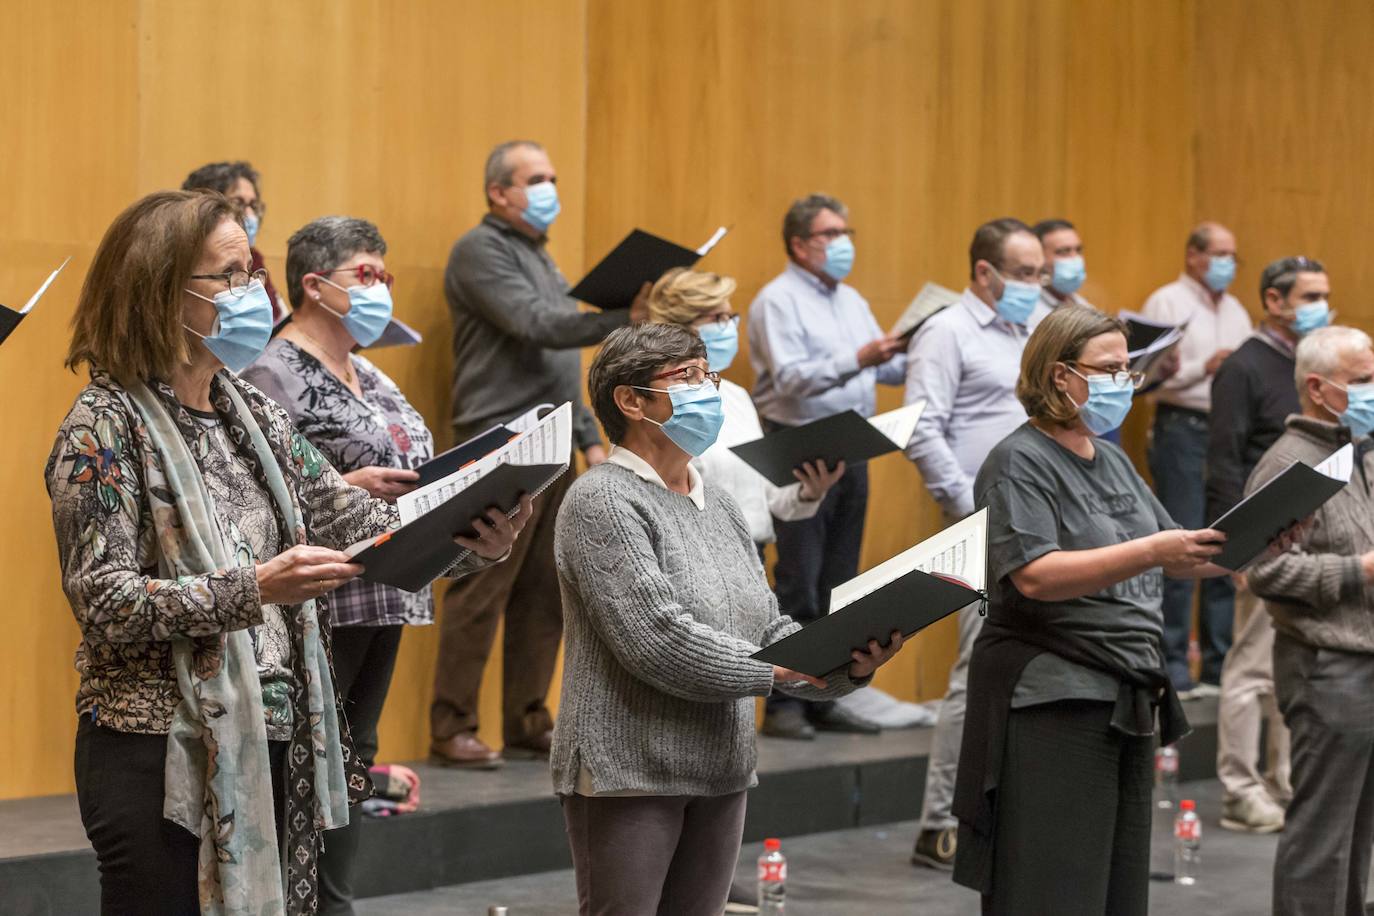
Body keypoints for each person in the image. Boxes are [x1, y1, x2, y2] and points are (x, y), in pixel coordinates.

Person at [45, 191, 526, 916]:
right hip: (157, 749)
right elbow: (104, 600)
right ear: (158, 290)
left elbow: (351, 518)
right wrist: (256, 589)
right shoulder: (101, 426)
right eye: (231, 277)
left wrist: (470, 538)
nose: (256, 295)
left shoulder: (250, 409)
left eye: (254, 273)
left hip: (271, 736)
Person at [553, 322, 905, 915]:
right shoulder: (601, 499)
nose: (708, 390)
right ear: (631, 400)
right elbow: (655, 640)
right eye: (687, 377)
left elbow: (767, 626)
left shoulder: (714, 500)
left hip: (722, 765)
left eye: (707, 374)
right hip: (630, 768)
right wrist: (783, 672)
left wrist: (846, 660)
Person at [951, 304, 1234, 916]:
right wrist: (1153, 550)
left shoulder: (1111, 458)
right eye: (1108, 370)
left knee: (1115, 887)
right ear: (1060, 375)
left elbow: (1177, 555)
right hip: (1054, 692)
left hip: (1125, 689)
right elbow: (1034, 575)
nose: (1122, 384)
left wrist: (1257, 546)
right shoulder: (1018, 460)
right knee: (1053, 887)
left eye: (1127, 371)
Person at [240, 215, 451, 914]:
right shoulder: (272, 369)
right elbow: (250, 488)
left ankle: (336, 900)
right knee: (307, 752)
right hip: (316, 594)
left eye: (385, 276)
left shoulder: (368, 369)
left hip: (387, 585)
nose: (381, 287)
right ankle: (303, 901)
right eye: (367, 274)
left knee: (354, 752)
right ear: (313, 284)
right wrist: (341, 490)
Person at [431, 139, 647, 768]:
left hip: (552, 439)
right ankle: (451, 726)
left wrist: (588, 439)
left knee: (545, 588)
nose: (551, 187)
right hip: (496, 441)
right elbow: (536, 326)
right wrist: (618, 317)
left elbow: (559, 361)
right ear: (499, 192)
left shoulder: (542, 258)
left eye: (553, 176)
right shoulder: (480, 251)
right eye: (537, 178)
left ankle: (528, 718)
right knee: (480, 584)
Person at [904, 217, 1050, 869]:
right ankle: (940, 823)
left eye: (1041, 273)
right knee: (976, 671)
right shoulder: (947, 332)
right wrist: (974, 508)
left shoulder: (1037, 329)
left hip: (1040, 524)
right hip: (980, 526)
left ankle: (1010, 810)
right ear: (984, 272)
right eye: (1025, 274)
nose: (1037, 285)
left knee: (1032, 664)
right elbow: (921, 429)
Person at [747, 193, 906, 740]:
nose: (842, 245)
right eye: (829, 235)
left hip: (852, 444)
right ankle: (787, 704)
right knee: (799, 578)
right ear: (798, 243)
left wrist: (909, 346)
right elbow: (790, 377)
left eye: (846, 233)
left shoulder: (852, 299)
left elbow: (881, 370)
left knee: (841, 579)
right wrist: (861, 358)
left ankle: (826, 693)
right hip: (799, 444)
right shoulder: (778, 301)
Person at [1246, 325, 1374, 916]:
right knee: (1321, 839)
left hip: (1364, 662)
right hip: (1327, 669)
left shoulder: (1361, 452)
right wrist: (1360, 571)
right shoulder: (1286, 466)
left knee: (1358, 839)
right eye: (1365, 380)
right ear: (1319, 388)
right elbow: (1262, 573)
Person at [1208, 256, 1329, 834]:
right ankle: (1239, 787)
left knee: (1286, 670)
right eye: (1309, 296)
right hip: (1260, 540)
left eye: (1324, 295)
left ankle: (1282, 783)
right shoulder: (1245, 366)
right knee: (1249, 669)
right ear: (1273, 301)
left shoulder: (1309, 363)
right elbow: (1225, 463)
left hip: (1309, 541)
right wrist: (1235, 547)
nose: (1321, 306)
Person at [646, 267, 843, 546]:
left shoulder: (736, 396)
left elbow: (767, 495)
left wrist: (808, 491)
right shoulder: (658, 402)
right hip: (697, 555)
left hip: (751, 554)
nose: (729, 327)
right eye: (717, 318)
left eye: (731, 316)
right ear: (681, 327)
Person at [1142, 221, 1253, 697]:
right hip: (1180, 427)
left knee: (1227, 544)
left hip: (1228, 434)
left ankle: (1217, 663)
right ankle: (1172, 665)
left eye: (1233, 254)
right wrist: (1201, 368)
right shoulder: (1167, 302)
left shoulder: (1238, 310)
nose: (1227, 262)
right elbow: (1143, 379)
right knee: (1183, 541)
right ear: (1193, 256)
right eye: (1218, 253)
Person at [182, 160, 285, 319]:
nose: (250, 214)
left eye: (253, 205)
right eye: (238, 203)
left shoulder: (255, 260)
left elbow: (277, 318)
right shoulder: (186, 257)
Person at [1033, 218, 1093, 312]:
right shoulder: (1029, 312)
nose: (1075, 258)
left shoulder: (1086, 307)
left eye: (1078, 250)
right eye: (1063, 251)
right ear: (1039, 257)